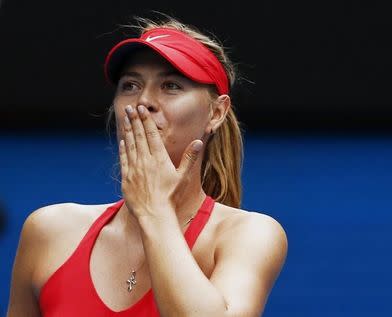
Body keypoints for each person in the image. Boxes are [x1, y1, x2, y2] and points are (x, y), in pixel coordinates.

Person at [7, 15, 288, 316]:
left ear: (216, 113)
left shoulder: (250, 235)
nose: (144, 101)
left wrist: (153, 209)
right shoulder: (49, 230)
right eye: (130, 85)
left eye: (171, 85)